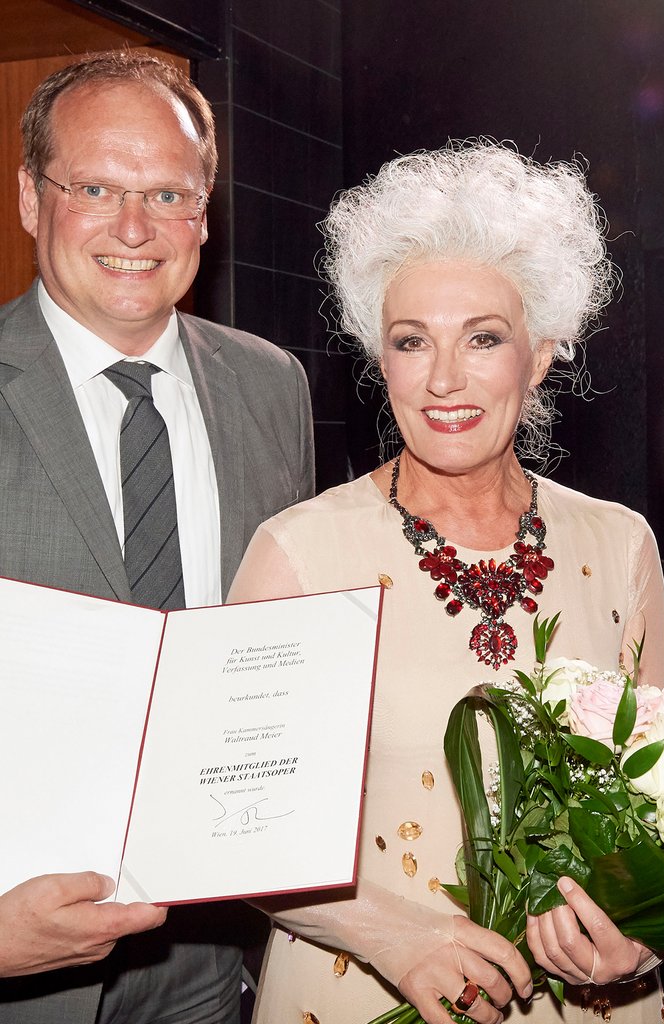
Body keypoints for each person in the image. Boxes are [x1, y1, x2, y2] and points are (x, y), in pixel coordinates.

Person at [228, 141, 664, 1024]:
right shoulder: (299, 554)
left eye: (483, 338)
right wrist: (392, 935)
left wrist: (646, 926)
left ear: (540, 354)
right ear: (378, 358)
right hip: (357, 994)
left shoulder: (620, 543)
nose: (443, 379)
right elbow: (232, 826)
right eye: (410, 341)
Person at [0, 51, 314, 1023]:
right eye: (95, 186)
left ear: (206, 216)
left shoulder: (274, 387)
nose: (133, 228)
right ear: (29, 197)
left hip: (221, 954)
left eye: (167, 193)